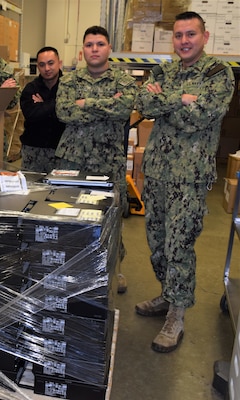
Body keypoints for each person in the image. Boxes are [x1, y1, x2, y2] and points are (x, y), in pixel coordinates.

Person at [134, 11, 234, 353]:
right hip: (158, 171)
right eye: (178, 35)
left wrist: (165, 102)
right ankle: (167, 293)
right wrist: (180, 99)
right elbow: (143, 102)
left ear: (204, 37)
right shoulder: (164, 70)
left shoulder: (218, 75)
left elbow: (201, 118)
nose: (184, 41)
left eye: (191, 34)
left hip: (189, 177)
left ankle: (177, 313)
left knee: (180, 246)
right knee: (157, 242)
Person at [55, 25, 137, 213]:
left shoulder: (124, 82)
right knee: (68, 213)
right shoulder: (69, 81)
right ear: (82, 51)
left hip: (109, 161)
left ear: (109, 48)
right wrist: (108, 105)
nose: (94, 49)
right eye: (89, 45)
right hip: (72, 160)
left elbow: (123, 110)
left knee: (109, 217)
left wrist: (84, 103)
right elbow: (64, 112)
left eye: (100, 44)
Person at [19, 46, 65, 173]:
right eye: (42, 65)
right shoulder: (30, 88)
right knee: (30, 190)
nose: (47, 68)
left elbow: (68, 115)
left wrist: (43, 105)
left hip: (61, 152)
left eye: (51, 63)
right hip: (33, 153)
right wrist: (56, 104)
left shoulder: (69, 87)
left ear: (59, 63)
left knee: (60, 191)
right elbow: (31, 114)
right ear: (38, 67)